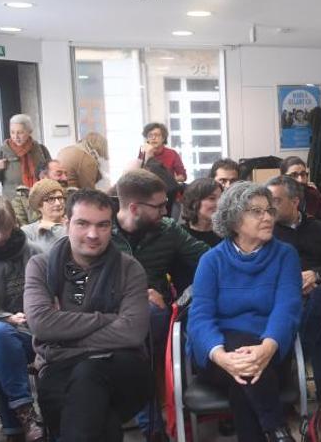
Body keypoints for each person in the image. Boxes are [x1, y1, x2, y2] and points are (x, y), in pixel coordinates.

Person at [23, 189, 152, 441]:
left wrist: (63, 338)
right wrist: (107, 318)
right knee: (100, 418)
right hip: (59, 370)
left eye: (102, 225)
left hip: (122, 367)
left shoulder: (129, 269)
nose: (93, 235)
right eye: (83, 224)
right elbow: (42, 325)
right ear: (66, 223)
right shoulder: (41, 267)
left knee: (88, 375)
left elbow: (133, 331)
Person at [188, 181, 302, 441]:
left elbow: (287, 308)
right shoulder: (211, 260)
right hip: (218, 355)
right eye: (256, 211)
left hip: (270, 350)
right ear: (235, 219)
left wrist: (267, 348)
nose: (267, 217)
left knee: (244, 375)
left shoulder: (285, 255)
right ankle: (277, 429)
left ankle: (275, 432)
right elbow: (201, 318)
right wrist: (220, 356)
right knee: (242, 355)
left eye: (269, 211)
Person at [111, 169, 209, 440]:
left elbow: (208, 259)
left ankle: (152, 425)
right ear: (134, 207)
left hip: (156, 318)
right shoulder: (101, 231)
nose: (167, 211)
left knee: (149, 322)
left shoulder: (168, 230)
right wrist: (135, 293)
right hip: (110, 314)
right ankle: (151, 425)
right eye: (159, 206)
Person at [266, 175, 321, 440]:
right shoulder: (269, 231)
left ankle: (296, 358)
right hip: (285, 298)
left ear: (295, 201)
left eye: (276, 201)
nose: (269, 208)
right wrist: (293, 281)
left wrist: (314, 275)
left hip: (317, 293)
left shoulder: (318, 228)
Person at [0, 194, 44, 441]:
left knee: (1, 351)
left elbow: (46, 295)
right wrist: (3, 317)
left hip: (31, 329)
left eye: (4, 229)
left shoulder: (32, 252)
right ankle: (26, 417)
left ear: (14, 224)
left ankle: (14, 427)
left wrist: (30, 315)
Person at [0, 114, 52, 199]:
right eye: (12, 132)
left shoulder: (41, 150)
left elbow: (51, 175)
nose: (15, 137)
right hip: (14, 205)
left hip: (38, 202)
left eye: (20, 132)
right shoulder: (3, 151)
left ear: (29, 131)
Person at [11, 159, 71, 227]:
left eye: (66, 174)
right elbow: (22, 233)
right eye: (59, 174)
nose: (65, 178)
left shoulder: (73, 197)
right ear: (43, 177)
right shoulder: (21, 201)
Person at [21, 179, 67, 252]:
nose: (58, 203)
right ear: (39, 205)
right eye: (51, 199)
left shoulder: (73, 225)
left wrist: (54, 228)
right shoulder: (28, 232)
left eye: (60, 198)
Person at [280, 156, 321, 224]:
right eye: (294, 175)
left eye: (303, 174)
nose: (300, 180)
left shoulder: (316, 198)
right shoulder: (275, 199)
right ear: (283, 178)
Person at [181, 178, 223, 247]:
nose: (219, 203)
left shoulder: (225, 235)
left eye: (221, 198)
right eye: (212, 198)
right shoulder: (180, 234)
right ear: (194, 202)